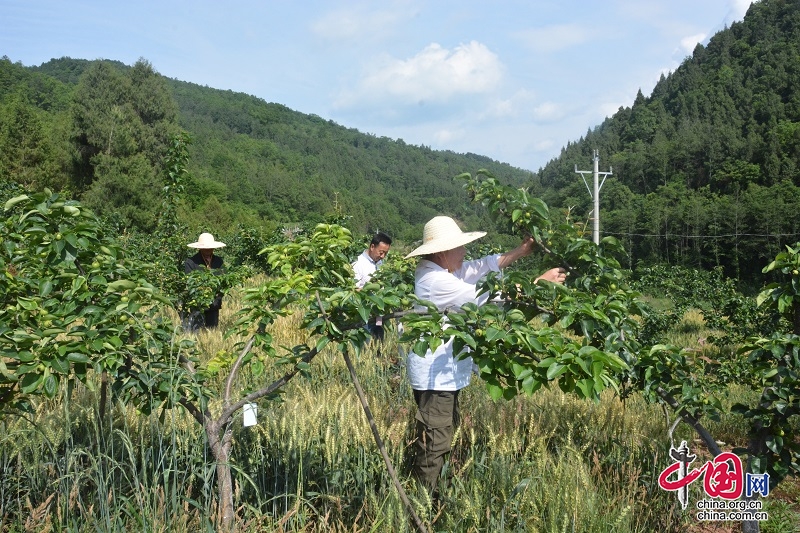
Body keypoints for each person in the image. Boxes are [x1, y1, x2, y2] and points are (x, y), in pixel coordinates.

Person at [404, 215, 566, 493]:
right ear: (443, 251)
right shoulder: (436, 281)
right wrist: (539, 283)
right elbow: (485, 296)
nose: (465, 252)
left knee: (441, 434)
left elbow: (479, 268)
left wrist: (519, 252)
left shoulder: (440, 270)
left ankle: (436, 496)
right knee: (435, 443)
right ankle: (422, 506)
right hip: (436, 377)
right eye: (460, 247)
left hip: (443, 374)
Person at [352, 232, 392, 341]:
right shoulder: (358, 264)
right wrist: (369, 294)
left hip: (378, 315)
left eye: (385, 253)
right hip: (365, 315)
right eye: (381, 252)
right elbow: (354, 290)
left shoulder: (379, 263)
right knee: (366, 342)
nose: (383, 256)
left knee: (378, 341)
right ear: (372, 246)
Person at [184, 232, 226, 331]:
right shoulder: (191, 262)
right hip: (198, 303)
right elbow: (190, 282)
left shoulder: (218, 261)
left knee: (212, 330)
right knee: (196, 330)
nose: (208, 250)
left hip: (214, 303)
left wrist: (218, 295)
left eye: (210, 247)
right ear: (199, 248)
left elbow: (224, 281)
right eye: (205, 248)